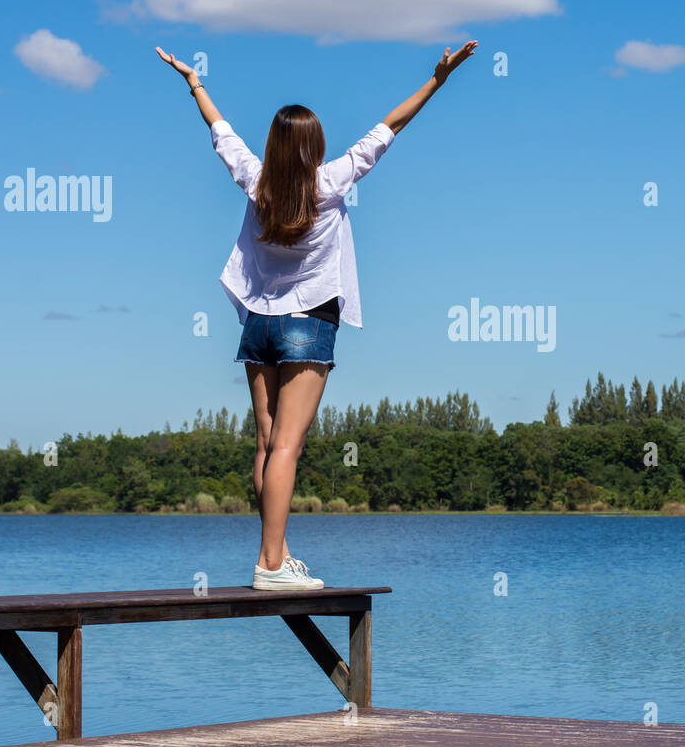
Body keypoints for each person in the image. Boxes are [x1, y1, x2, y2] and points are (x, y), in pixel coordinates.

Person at [156, 40, 479, 589]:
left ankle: (274, 554)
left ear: (275, 146)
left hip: (258, 323)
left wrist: (194, 83)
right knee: (287, 446)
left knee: (265, 443)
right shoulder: (332, 181)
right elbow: (389, 126)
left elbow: (221, 134)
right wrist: (438, 80)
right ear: (315, 146)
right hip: (309, 326)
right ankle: (272, 564)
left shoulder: (256, 182)